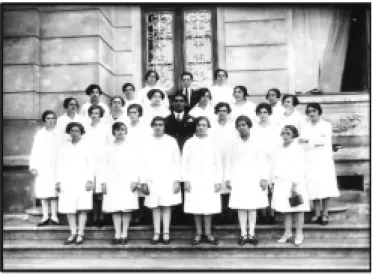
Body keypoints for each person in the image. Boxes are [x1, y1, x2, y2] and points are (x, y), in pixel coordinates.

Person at [225, 116, 269, 245]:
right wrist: (228, 178)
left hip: (254, 177)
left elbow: (263, 161)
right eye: (239, 125)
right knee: (241, 206)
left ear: (249, 126)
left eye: (244, 125)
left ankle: (252, 233)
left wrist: (264, 178)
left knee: (252, 206)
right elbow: (228, 161)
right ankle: (243, 234)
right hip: (238, 177)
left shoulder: (257, 142)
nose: (241, 127)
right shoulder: (233, 143)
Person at [182, 116, 223, 245]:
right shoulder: (189, 143)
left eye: (204, 125)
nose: (201, 127)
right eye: (199, 125)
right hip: (194, 178)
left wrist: (218, 180)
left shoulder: (213, 143)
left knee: (208, 206)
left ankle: (208, 233)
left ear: (208, 127)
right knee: (196, 206)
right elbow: (184, 162)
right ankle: (198, 233)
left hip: (209, 178)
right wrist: (186, 180)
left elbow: (218, 163)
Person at [141, 116, 182, 244]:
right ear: (152, 126)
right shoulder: (146, 141)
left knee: (166, 205)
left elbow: (177, 161)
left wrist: (176, 180)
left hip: (167, 178)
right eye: (156, 125)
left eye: (161, 125)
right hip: (151, 178)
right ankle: (156, 232)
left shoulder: (171, 141)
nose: (158, 127)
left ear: (164, 127)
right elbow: (141, 163)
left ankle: (166, 232)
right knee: (155, 206)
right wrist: (143, 181)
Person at [99, 122, 140, 245]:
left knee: (126, 208)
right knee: (115, 208)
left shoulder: (131, 147)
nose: (120, 132)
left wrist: (135, 181)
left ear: (126, 131)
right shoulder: (107, 148)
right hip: (112, 181)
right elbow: (102, 166)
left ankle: (124, 234)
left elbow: (137, 165)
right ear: (113, 132)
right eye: (117, 130)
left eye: (122, 129)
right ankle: (117, 233)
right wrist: (103, 182)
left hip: (127, 180)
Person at [299, 103, 340, 225]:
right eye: (309, 111)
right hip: (310, 160)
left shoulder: (326, 125)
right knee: (313, 187)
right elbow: (301, 142)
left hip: (323, 160)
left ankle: (325, 213)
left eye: (314, 111)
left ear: (319, 112)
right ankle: (316, 213)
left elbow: (323, 140)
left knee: (325, 186)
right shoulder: (305, 127)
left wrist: (309, 141)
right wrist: (310, 142)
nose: (311, 113)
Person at [270, 125, 310, 246]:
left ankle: (299, 233)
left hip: (294, 183)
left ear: (294, 135)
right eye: (283, 133)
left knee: (298, 209)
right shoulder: (279, 148)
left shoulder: (297, 149)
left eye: (288, 133)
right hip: (281, 182)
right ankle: (287, 233)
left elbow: (300, 167)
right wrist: (273, 180)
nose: (285, 136)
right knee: (285, 209)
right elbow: (275, 165)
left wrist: (294, 185)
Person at [56, 122, 94, 245]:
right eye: (72, 131)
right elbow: (59, 165)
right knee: (70, 209)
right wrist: (58, 181)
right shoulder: (63, 147)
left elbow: (91, 165)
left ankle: (80, 233)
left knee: (82, 208)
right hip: (68, 181)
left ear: (81, 133)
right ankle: (73, 232)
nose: (74, 133)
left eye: (77, 131)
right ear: (69, 132)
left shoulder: (87, 146)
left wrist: (89, 180)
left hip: (82, 181)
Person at [164, 94, 196, 225]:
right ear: (172, 104)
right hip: (171, 157)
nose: (178, 103)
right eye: (176, 101)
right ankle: (175, 217)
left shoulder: (192, 120)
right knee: (173, 184)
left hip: (187, 155)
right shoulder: (166, 120)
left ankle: (187, 217)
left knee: (187, 184)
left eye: (181, 101)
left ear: (185, 104)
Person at [251, 103, 282, 224]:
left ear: (269, 113)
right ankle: (262, 214)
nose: (263, 115)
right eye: (260, 112)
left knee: (272, 187)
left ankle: (272, 213)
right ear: (257, 114)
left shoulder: (275, 127)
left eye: (265, 112)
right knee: (261, 187)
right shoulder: (254, 128)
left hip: (272, 160)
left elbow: (278, 144)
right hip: (259, 161)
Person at [30, 110, 61, 226]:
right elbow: (35, 150)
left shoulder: (59, 134)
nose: (51, 120)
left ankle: (54, 216)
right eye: (48, 118)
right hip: (43, 166)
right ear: (44, 120)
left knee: (54, 192)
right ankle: (45, 216)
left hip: (56, 166)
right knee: (44, 192)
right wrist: (33, 166)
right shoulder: (40, 134)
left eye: (53, 118)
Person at [84, 105, 111, 227]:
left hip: (102, 160)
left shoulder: (106, 128)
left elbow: (109, 144)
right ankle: (94, 216)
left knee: (101, 189)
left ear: (100, 115)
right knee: (92, 190)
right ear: (89, 115)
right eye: (92, 113)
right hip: (89, 161)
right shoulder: (86, 128)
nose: (94, 115)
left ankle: (102, 216)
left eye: (97, 113)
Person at [211, 102, 237, 224]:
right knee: (218, 186)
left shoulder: (233, 127)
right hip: (216, 161)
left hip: (230, 160)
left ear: (228, 112)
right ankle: (219, 214)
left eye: (224, 111)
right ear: (216, 112)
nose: (222, 113)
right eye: (220, 110)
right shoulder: (212, 127)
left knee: (230, 185)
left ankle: (230, 214)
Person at [126, 104, 152, 225]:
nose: (132, 115)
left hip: (142, 160)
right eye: (130, 112)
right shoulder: (125, 128)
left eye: (135, 112)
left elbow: (147, 146)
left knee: (142, 187)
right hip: (129, 160)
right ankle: (131, 215)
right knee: (130, 187)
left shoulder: (145, 128)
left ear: (139, 114)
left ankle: (141, 216)